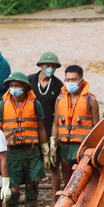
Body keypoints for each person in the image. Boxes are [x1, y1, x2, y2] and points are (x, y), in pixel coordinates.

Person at [0, 72, 49, 207]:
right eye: (12, 86)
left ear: (25, 87)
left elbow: (41, 127)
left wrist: (45, 149)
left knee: (32, 187)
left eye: (18, 85)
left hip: (32, 151)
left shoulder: (35, 104)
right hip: (11, 153)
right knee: (12, 190)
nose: (15, 88)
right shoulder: (2, 105)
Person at [52, 65, 100, 198]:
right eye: (67, 79)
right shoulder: (60, 98)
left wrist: (94, 149)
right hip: (64, 146)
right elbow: (56, 123)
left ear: (81, 81)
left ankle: (83, 205)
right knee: (67, 178)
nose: (70, 83)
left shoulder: (91, 100)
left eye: (73, 80)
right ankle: (68, 205)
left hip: (82, 147)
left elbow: (97, 127)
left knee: (83, 179)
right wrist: (52, 143)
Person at [30, 52, 64, 197]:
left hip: (51, 128)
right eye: (46, 65)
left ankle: (55, 197)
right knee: (34, 162)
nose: (49, 68)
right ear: (40, 65)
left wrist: (55, 136)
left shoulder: (58, 85)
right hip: (32, 128)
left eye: (52, 66)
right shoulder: (29, 81)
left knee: (54, 163)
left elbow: (60, 109)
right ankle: (32, 193)